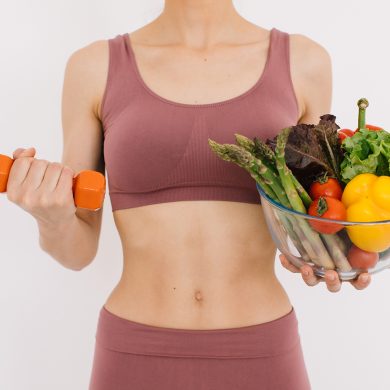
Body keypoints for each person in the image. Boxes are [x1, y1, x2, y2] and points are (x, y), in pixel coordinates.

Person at [7, 0, 372, 389]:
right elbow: (78, 250)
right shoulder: (93, 67)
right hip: (134, 352)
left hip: (261, 351)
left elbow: (317, 209)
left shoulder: (305, 62)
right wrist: (54, 219)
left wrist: (340, 257)